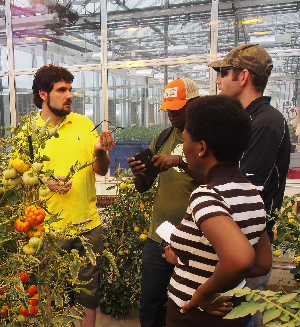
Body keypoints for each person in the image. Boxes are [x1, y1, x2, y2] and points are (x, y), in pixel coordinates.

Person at [164, 95, 272, 327]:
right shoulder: (251, 192)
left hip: (199, 319)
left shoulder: (207, 195)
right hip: (239, 316)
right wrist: (191, 260)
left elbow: (239, 259)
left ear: (201, 147)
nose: (184, 146)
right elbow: (262, 263)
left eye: (186, 139)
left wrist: (203, 294)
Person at [207, 43, 291, 327]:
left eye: (223, 72)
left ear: (243, 76)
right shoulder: (246, 121)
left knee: (243, 316)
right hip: (236, 240)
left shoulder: (265, 123)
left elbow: (244, 188)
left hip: (250, 244)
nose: (218, 79)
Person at [32, 64, 115, 327]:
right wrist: (45, 180)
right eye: (61, 90)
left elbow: (101, 170)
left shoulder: (83, 123)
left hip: (88, 225)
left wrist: (101, 150)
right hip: (49, 229)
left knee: (88, 294)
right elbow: (19, 180)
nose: (69, 95)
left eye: (70, 89)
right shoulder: (29, 132)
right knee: (50, 293)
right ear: (43, 94)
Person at [127, 77, 205, 327]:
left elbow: (215, 179)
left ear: (194, 103)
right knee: (150, 303)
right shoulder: (162, 138)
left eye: (178, 107)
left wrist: (180, 162)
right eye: (168, 107)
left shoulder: (206, 141)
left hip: (195, 242)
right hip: (159, 238)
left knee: (190, 304)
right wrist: (140, 174)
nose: (171, 113)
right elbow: (143, 187)